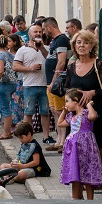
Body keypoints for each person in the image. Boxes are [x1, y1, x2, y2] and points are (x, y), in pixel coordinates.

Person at [64, 30, 102, 199]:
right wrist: (73, 92)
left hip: (97, 112)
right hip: (79, 118)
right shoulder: (71, 66)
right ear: (74, 46)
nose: (82, 46)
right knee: (80, 154)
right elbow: (65, 88)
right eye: (78, 43)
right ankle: (82, 190)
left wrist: (93, 92)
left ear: (92, 45)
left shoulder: (99, 65)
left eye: (85, 42)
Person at [59, 89, 102, 200]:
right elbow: (60, 123)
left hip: (86, 147)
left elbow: (93, 116)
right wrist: (64, 112)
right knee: (75, 172)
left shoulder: (85, 113)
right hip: (73, 148)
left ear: (75, 101)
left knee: (87, 171)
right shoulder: (71, 116)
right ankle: (76, 198)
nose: (66, 104)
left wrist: (88, 105)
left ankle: (90, 200)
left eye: (67, 101)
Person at [13, 24, 53, 145]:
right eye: (35, 31)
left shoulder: (46, 48)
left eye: (40, 31)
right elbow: (15, 66)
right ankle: (27, 138)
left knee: (45, 112)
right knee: (28, 113)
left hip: (44, 84)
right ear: (29, 34)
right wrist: (30, 68)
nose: (38, 34)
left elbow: (50, 59)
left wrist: (42, 49)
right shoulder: (23, 50)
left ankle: (46, 137)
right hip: (30, 85)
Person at [42, 17, 71, 151]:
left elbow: (61, 62)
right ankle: (59, 140)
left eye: (43, 29)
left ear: (49, 28)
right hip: (50, 82)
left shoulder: (61, 40)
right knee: (54, 110)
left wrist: (54, 81)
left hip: (57, 83)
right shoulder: (55, 41)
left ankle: (63, 141)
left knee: (60, 111)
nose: (43, 32)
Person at [0, 34, 21, 140]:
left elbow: (0, 70)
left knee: (4, 109)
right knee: (8, 108)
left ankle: (6, 132)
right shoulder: (11, 55)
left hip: (2, 84)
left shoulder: (0, 55)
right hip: (12, 83)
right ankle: (7, 130)